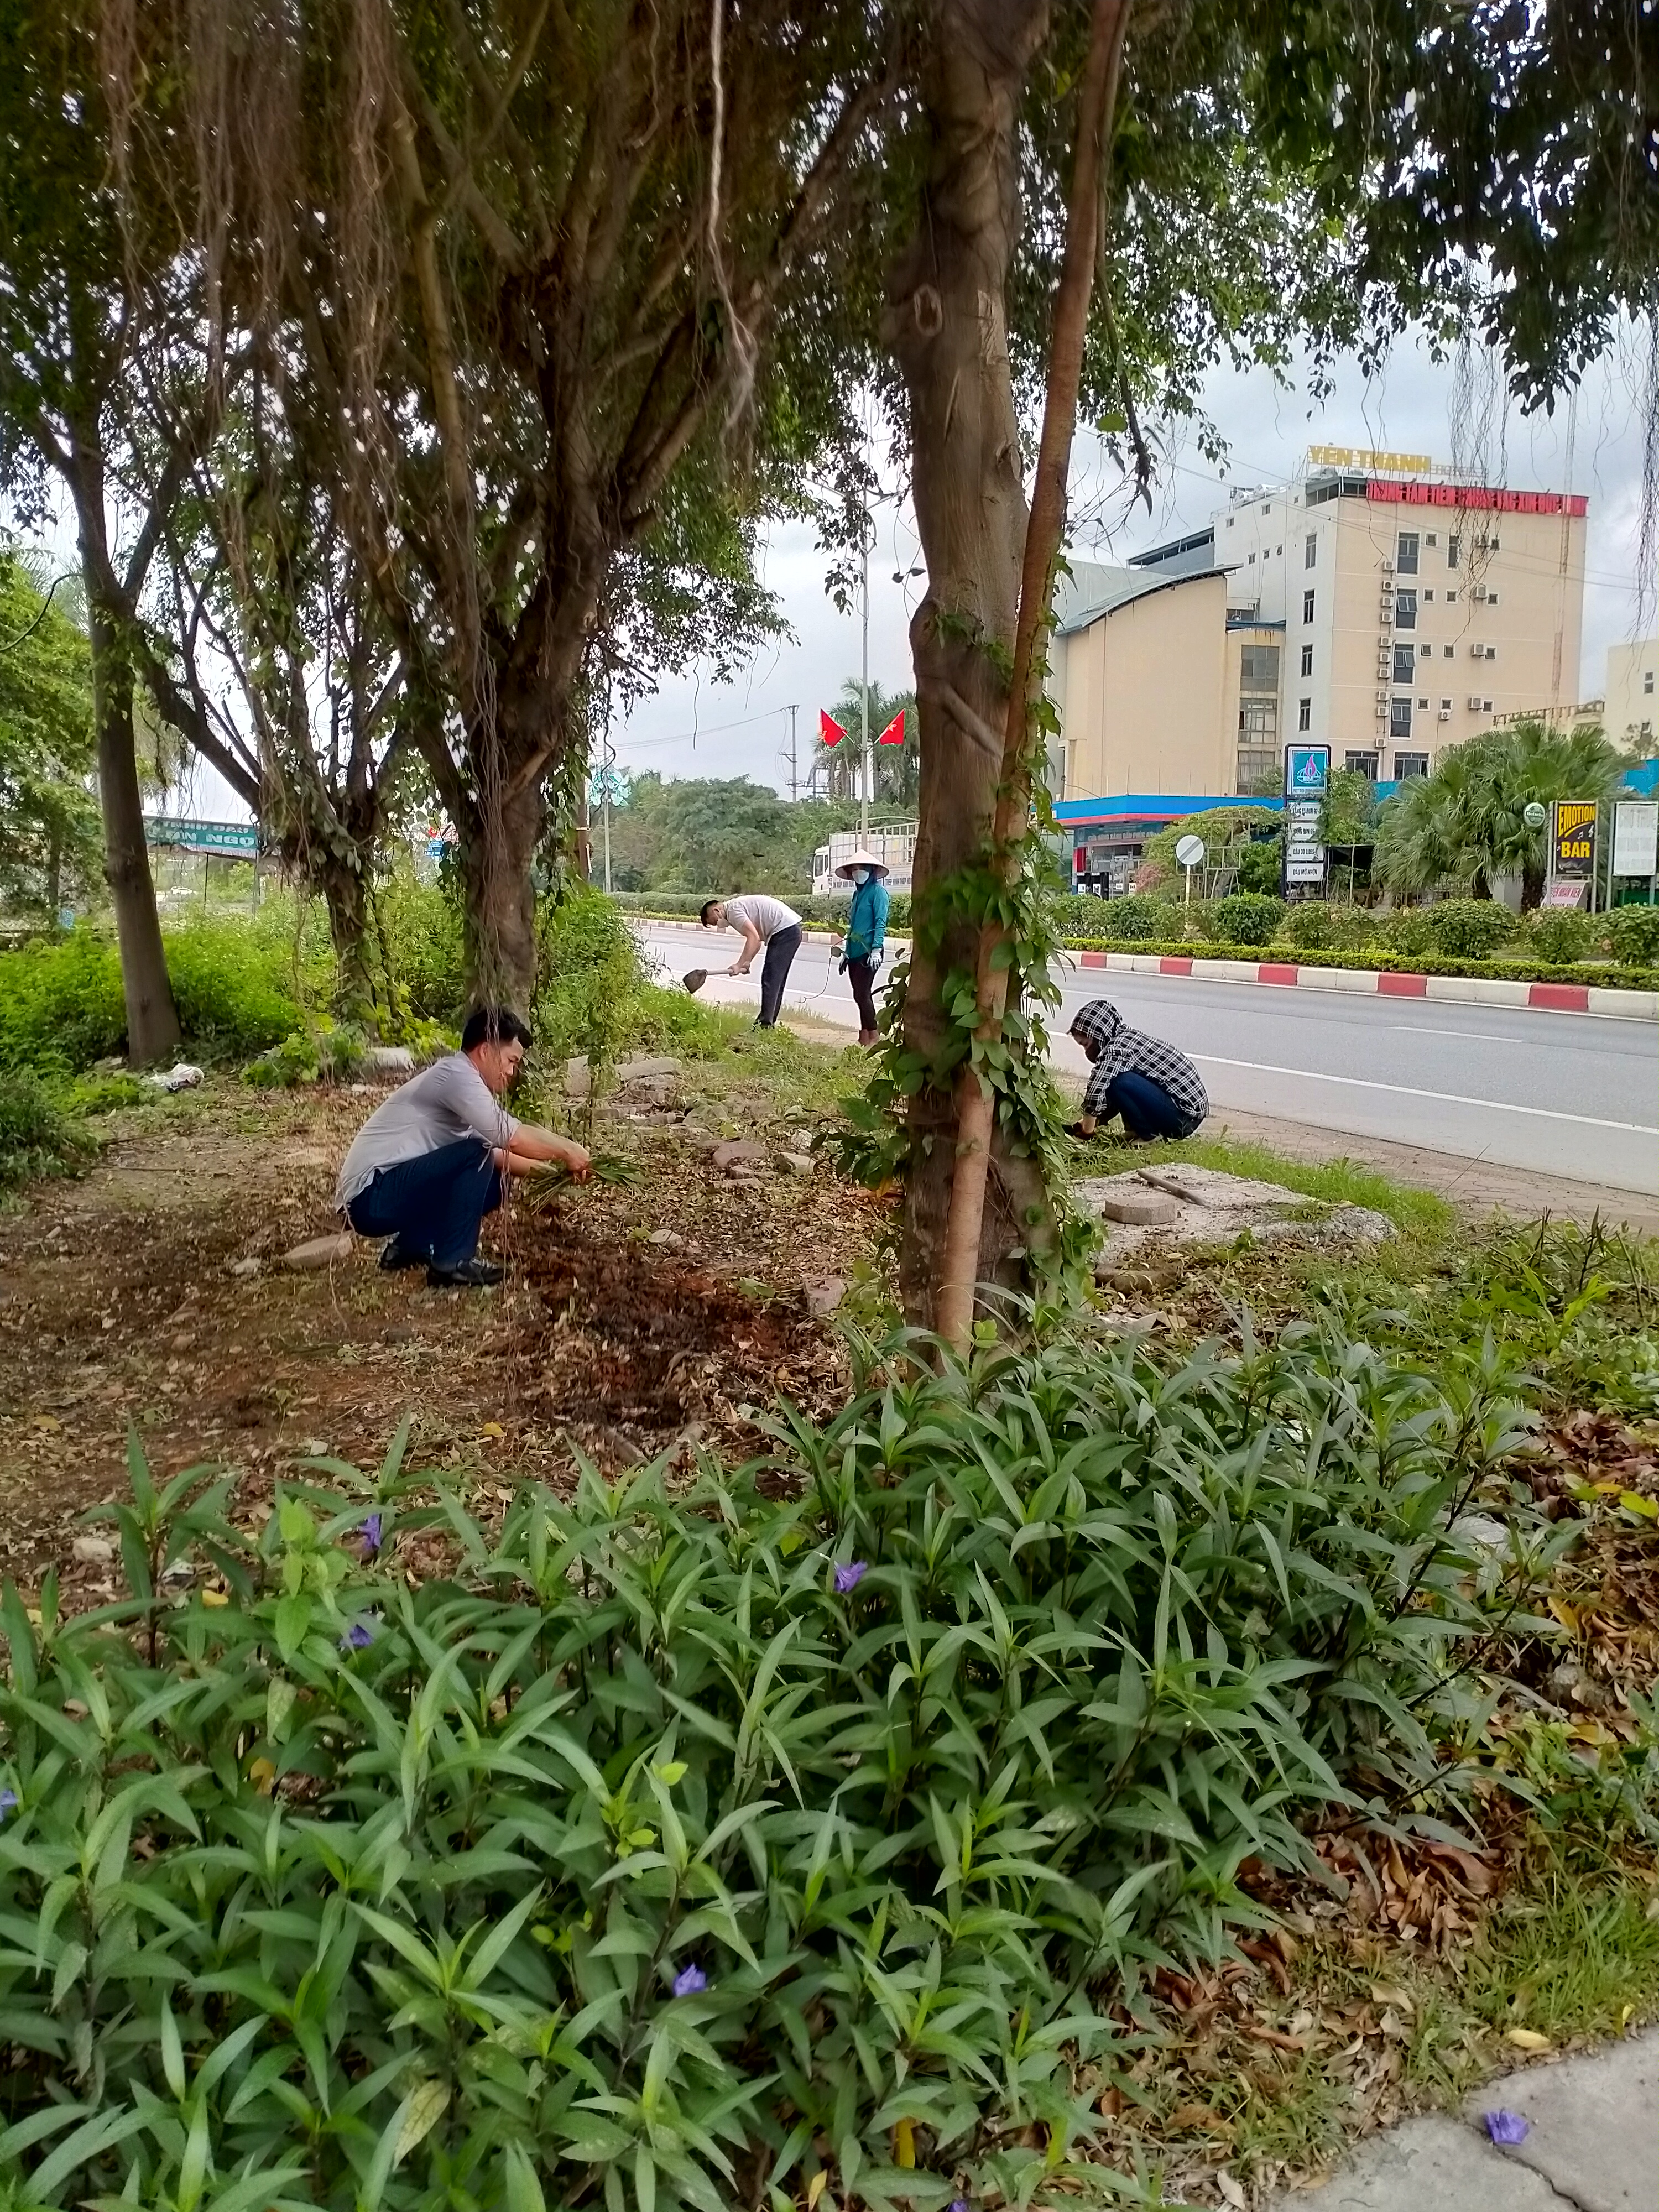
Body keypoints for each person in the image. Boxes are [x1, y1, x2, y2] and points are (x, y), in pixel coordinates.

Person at [335, 1006, 590, 1288]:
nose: (511, 1071)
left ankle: (409, 1248)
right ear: (485, 1051)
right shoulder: (456, 1075)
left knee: (495, 1183)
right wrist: (569, 1151)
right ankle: (452, 1263)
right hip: (368, 1198)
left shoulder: (467, 1089)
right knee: (474, 1155)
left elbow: (498, 1156)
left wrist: (556, 1174)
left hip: (383, 1195)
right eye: (511, 1061)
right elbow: (510, 1138)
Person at [1065, 998, 1208, 1142]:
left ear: (1099, 1034)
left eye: (1086, 1044)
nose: (1086, 1051)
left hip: (1183, 1117)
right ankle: (1137, 1132)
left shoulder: (1116, 1050)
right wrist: (1077, 1127)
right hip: (1184, 1114)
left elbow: (1096, 1090)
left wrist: (1086, 1134)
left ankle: (1148, 1136)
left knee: (1118, 1082)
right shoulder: (1125, 1037)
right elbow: (1113, 1099)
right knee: (1114, 1082)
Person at [700, 892, 804, 1028]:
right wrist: (747, 962)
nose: (718, 925)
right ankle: (767, 1022)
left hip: (785, 931)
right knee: (776, 981)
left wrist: (738, 965)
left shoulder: (733, 912)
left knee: (771, 979)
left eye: (714, 922)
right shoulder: (734, 911)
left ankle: (765, 1025)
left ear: (716, 910)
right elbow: (758, 941)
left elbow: (753, 937)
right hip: (790, 930)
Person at [830, 847, 890, 1046]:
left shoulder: (878, 893)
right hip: (854, 951)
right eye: (854, 869)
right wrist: (846, 953)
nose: (858, 873)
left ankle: (874, 1035)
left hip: (869, 950)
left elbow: (880, 922)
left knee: (863, 993)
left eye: (861, 868)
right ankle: (864, 1034)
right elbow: (854, 925)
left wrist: (876, 950)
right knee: (857, 994)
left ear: (871, 871)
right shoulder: (857, 895)